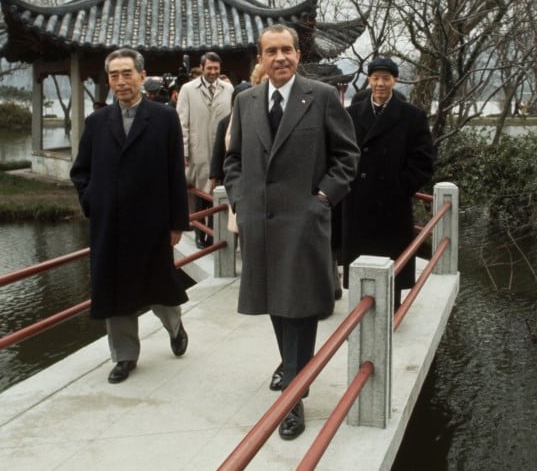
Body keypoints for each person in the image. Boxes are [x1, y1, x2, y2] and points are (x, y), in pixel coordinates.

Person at [224, 24, 359, 440]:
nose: (279, 57)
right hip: (261, 223)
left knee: (300, 310)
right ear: (260, 57)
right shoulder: (245, 101)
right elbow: (231, 160)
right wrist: (241, 201)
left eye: (287, 50)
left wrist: (322, 199)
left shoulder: (319, 97)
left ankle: (294, 399)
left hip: (303, 221)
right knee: (277, 307)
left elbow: (347, 156)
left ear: (299, 55)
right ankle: (291, 366)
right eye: (271, 51)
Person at [70, 48, 191, 384]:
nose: (121, 82)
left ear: (141, 75)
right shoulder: (96, 123)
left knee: (159, 286)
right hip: (110, 224)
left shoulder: (164, 118)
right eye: (114, 75)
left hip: (152, 221)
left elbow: (175, 174)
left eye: (127, 73)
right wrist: (93, 201)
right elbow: (80, 172)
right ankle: (124, 356)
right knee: (115, 290)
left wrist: (177, 222)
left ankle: (175, 326)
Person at [340, 56, 435, 312]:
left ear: (395, 80)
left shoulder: (411, 116)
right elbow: (339, 153)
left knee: (390, 262)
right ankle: (359, 316)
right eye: (375, 78)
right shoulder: (351, 114)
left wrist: (400, 187)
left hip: (392, 204)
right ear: (368, 80)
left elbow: (424, 160)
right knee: (361, 263)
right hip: (358, 201)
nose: (380, 83)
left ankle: (388, 316)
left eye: (386, 78)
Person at [176, 51, 234, 247]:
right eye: (209, 68)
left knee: (218, 191)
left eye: (216, 68)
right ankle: (201, 235)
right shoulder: (188, 89)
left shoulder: (228, 89)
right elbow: (181, 123)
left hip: (221, 149)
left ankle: (216, 235)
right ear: (202, 68)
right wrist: (183, 151)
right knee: (200, 192)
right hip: (198, 147)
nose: (213, 72)